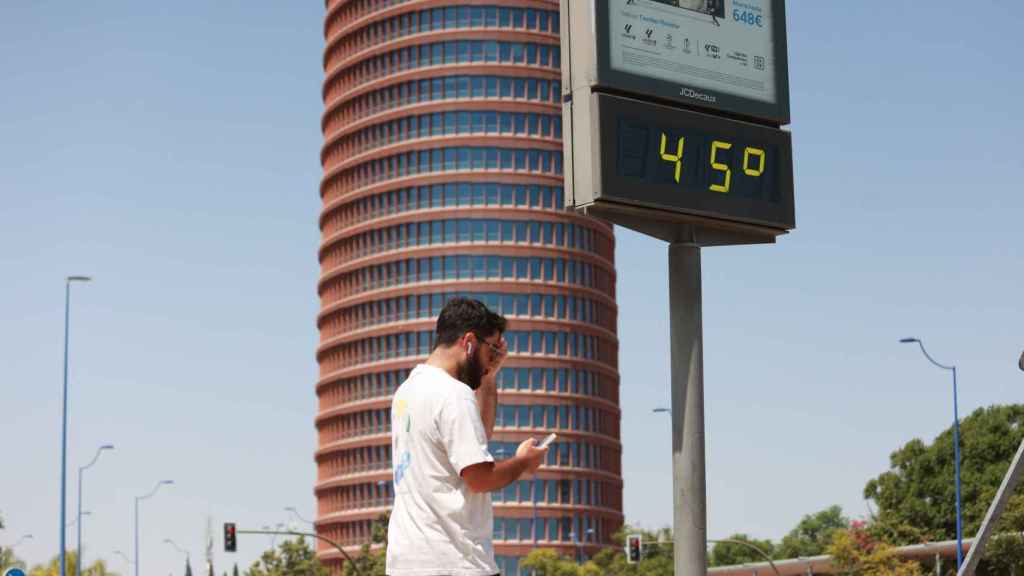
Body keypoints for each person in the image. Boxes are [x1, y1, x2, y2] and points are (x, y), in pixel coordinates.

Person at [386, 298, 549, 576]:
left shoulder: (407, 392)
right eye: (492, 349)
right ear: (470, 341)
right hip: (454, 561)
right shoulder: (453, 394)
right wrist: (523, 462)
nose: (492, 359)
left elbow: (474, 444)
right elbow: (480, 477)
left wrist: (488, 377)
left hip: (406, 562)